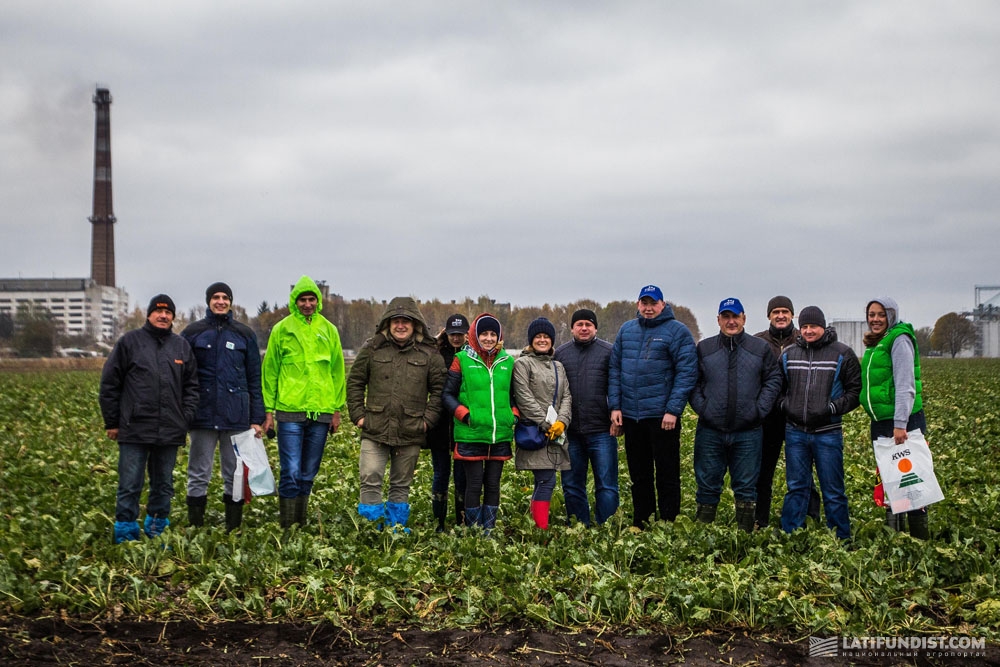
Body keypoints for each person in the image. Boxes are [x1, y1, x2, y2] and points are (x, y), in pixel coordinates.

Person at [99, 294, 199, 543]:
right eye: (158, 311)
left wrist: (184, 418)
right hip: (134, 428)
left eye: (168, 313)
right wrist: (112, 422)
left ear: (173, 317)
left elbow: (192, 388)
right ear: (149, 314)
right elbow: (110, 384)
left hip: (169, 430)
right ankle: (125, 531)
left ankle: (156, 529)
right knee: (130, 484)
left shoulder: (181, 346)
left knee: (163, 485)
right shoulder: (129, 342)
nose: (163, 316)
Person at [347, 297, 446, 532]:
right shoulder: (372, 348)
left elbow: (439, 390)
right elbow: (355, 382)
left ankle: (395, 530)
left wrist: (427, 422)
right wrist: (359, 416)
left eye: (406, 321)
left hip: (411, 430)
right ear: (387, 323)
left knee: (401, 484)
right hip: (374, 427)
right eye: (396, 321)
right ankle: (372, 529)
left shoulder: (428, 354)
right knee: (370, 477)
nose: (400, 325)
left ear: (415, 325)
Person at [609, 285, 698, 528]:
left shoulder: (678, 332)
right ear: (638, 304)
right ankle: (642, 521)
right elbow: (615, 369)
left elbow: (687, 373)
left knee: (667, 473)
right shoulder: (627, 331)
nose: (648, 308)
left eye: (653, 303)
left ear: (662, 304)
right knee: (639, 474)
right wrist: (615, 406)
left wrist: (673, 410)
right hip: (632, 415)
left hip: (662, 417)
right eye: (644, 303)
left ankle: (668, 522)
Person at [690, 298, 782, 531]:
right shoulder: (705, 348)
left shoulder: (759, 348)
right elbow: (693, 382)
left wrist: (759, 410)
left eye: (735, 317)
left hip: (748, 431)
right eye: (726, 317)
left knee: (746, 486)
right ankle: (703, 535)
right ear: (719, 320)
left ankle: (744, 536)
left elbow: (773, 379)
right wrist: (703, 408)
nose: (731, 322)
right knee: (708, 484)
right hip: (711, 430)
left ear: (744, 319)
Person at [261, 276, 346, 528]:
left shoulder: (329, 330)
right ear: (294, 302)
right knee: (291, 471)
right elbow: (270, 372)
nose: (307, 304)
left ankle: (301, 522)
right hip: (290, 411)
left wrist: (336, 409)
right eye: (302, 300)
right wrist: (268, 410)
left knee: (308, 473)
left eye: (311, 299)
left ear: (318, 301)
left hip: (321, 412)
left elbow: (337, 371)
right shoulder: (282, 330)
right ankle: (287, 526)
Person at [181, 282, 265, 532]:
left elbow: (254, 377)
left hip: (236, 417)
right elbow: (183, 375)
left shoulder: (244, 334)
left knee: (235, 473)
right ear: (208, 301)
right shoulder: (192, 333)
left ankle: (233, 527)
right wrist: (184, 412)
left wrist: (256, 417)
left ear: (230, 302)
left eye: (225, 297)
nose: (220, 301)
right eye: (215, 297)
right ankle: (196, 526)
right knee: (198, 472)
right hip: (202, 415)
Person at [778, 306, 861, 540]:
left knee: (833, 489)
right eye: (804, 326)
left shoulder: (842, 353)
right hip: (795, 432)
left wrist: (832, 408)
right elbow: (777, 387)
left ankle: (840, 538)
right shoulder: (788, 355)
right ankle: (791, 535)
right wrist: (787, 406)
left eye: (813, 326)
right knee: (796, 487)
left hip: (828, 433)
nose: (808, 331)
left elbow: (855, 391)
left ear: (823, 327)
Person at [860, 297, 930, 539]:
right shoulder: (877, 342)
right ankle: (896, 540)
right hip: (883, 422)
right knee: (892, 482)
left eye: (881, 314)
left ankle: (919, 540)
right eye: (872, 314)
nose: (875, 319)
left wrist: (901, 424)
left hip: (902, 423)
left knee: (911, 480)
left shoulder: (899, 339)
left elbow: (905, 385)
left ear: (891, 316)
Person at [441, 313, 516, 533]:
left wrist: (514, 416)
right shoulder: (462, 359)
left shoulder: (508, 361)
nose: (489, 338)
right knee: (473, 484)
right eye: (484, 333)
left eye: (493, 334)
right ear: (475, 335)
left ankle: (488, 531)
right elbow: (447, 395)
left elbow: (515, 395)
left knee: (493, 485)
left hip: (498, 433)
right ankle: (473, 531)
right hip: (471, 433)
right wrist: (465, 415)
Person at [753, 296, 821, 528]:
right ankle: (759, 518)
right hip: (768, 418)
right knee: (763, 471)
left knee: (804, 471)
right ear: (769, 315)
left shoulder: (805, 339)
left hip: (798, 417)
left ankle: (810, 517)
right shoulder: (757, 342)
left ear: (792, 315)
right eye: (776, 312)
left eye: (785, 311)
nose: (780, 315)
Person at [554, 308, 621, 526]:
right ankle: (579, 525)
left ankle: (607, 528)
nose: (584, 328)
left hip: (602, 430)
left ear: (595, 328)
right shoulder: (561, 355)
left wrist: (616, 414)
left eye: (588, 324)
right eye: (579, 324)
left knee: (607, 483)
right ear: (572, 328)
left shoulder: (608, 352)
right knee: (572, 484)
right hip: (571, 431)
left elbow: (617, 386)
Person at [512, 317, 573, 530]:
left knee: (546, 480)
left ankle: (537, 526)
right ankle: (540, 530)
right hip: (536, 431)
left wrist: (562, 422)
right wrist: (547, 424)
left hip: (555, 432)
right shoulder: (522, 363)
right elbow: (523, 397)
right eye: (538, 336)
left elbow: (566, 396)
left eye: (546, 336)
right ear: (531, 340)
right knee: (546, 480)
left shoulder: (558, 366)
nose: (542, 340)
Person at [425, 313, 470, 531]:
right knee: (440, 474)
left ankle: (461, 521)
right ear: (446, 332)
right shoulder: (435, 353)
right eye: (453, 334)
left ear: (466, 334)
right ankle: (438, 522)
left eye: (460, 334)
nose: (456, 338)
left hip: (464, 424)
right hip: (439, 425)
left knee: (462, 476)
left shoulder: (472, 355)